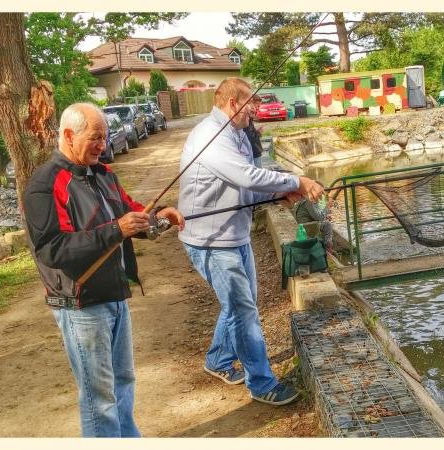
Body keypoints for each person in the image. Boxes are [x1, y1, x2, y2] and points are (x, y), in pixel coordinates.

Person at [23, 102, 185, 437]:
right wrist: (116, 230)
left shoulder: (103, 174)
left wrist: (158, 218)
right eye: (96, 137)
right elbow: (52, 249)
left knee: (123, 380)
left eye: (105, 136)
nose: (103, 144)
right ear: (69, 135)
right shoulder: (44, 183)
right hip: (81, 304)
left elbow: (128, 212)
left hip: (114, 293)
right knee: (99, 398)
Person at [178, 77, 324, 406]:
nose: (254, 110)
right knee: (243, 310)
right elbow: (246, 176)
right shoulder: (210, 135)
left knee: (242, 303)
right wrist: (296, 180)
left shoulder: (238, 133)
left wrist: (278, 194)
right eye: (250, 104)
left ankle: (218, 359)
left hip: (234, 233)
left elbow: (245, 185)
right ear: (233, 104)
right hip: (211, 239)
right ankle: (261, 382)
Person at [243, 95, 264, 167]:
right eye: (257, 106)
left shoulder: (250, 119)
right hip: (254, 153)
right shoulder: (246, 120)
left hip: (255, 152)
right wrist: (259, 133)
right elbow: (249, 138)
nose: (257, 108)